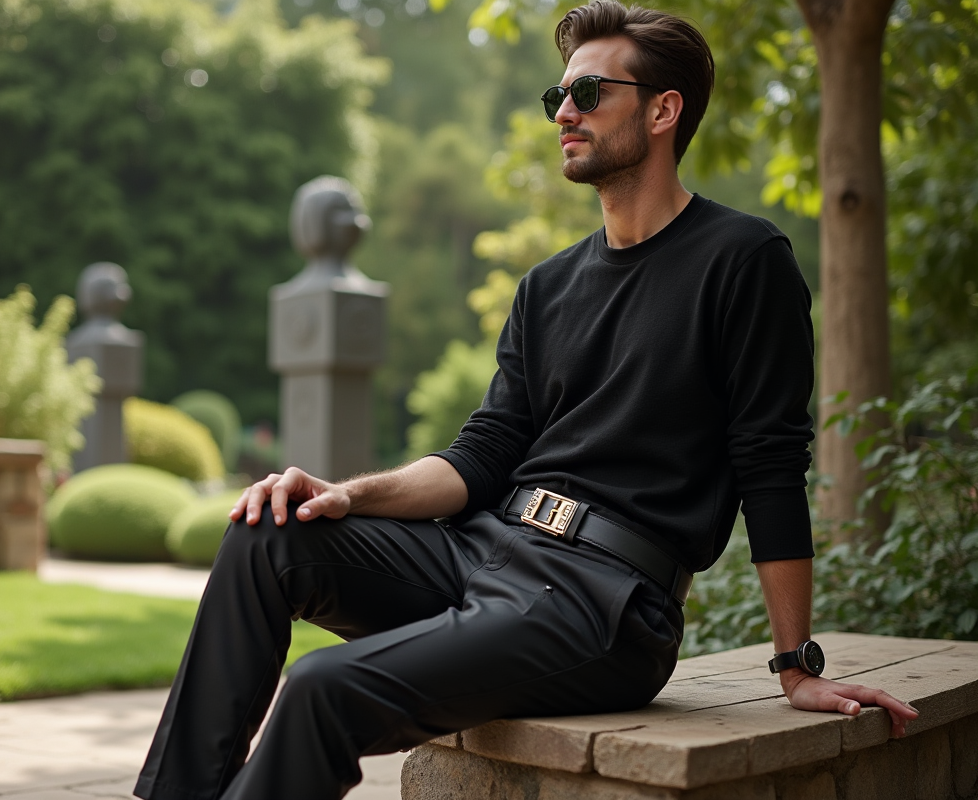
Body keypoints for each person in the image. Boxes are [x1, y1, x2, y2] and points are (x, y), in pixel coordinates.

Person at [134, 3, 918, 798]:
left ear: (663, 111)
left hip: (606, 603)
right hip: (484, 548)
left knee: (320, 687)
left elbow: (771, 464)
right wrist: (345, 495)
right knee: (264, 536)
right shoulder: (546, 287)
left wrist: (795, 667)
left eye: (589, 93)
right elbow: (482, 455)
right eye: (558, 97)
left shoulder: (744, 260)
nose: (564, 112)